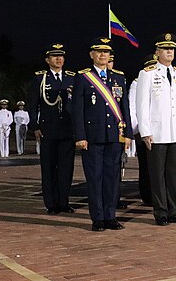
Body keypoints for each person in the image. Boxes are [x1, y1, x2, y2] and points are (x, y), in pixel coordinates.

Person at [73, 37, 133, 231]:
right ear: (92, 55)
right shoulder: (83, 77)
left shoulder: (119, 77)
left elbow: (125, 108)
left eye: (106, 52)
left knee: (112, 178)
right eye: (99, 52)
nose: (102, 55)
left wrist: (129, 134)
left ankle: (110, 216)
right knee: (95, 178)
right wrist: (80, 136)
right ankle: (97, 218)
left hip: (115, 136)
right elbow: (78, 110)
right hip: (92, 137)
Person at [136, 33, 176, 226]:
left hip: (175, 132)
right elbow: (142, 104)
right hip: (157, 133)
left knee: (172, 174)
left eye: (172, 49)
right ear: (157, 52)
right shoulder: (148, 74)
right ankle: (160, 212)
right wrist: (145, 131)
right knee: (157, 174)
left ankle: (173, 210)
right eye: (165, 49)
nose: (170, 52)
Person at [26, 43, 77, 215]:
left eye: (61, 56)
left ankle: (64, 202)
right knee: (48, 168)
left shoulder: (72, 77)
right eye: (55, 56)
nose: (59, 59)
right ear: (47, 60)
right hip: (48, 129)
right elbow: (32, 105)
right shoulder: (40, 78)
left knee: (66, 168)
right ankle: (51, 204)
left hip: (67, 129)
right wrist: (35, 126)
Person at [129, 54, 158, 206]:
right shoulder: (137, 82)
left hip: (160, 131)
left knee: (159, 167)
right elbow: (133, 109)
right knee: (146, 167)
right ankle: (147, 195)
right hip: (143, 132)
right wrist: (138, 130)